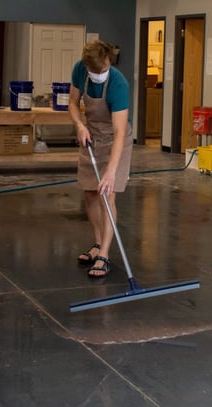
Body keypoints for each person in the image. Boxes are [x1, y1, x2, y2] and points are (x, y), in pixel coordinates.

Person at [68, 40, 133, 278]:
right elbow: (73, 103)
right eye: (95, 71)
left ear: (109, 62)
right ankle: (97, 243)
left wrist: (111, 172)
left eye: (103, 69)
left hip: (116, 140)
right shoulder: (79, 69)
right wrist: (79, 125)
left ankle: (104, 254)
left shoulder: (118, 84)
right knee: (89, 192)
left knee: (107, 194)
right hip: (91, 135)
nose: (99, 74)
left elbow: (119, 133)